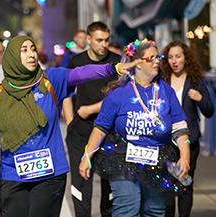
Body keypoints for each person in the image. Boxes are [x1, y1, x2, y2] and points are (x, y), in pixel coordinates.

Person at [0, 35, 140, 217]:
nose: (31, 54)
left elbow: (81, 73)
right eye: (24, 50)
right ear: (12, 56)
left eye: (33, 49)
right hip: (11, 175)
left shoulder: (50, 79)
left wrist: (112, 68)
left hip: (49, 175)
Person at [79, 39, 191, 217]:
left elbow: (180, 128)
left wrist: (185, 156)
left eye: (158, 57)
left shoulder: (166, 91)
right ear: (137, 64)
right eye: (151, 58)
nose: (157, 62)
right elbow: (100, 128)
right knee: (127, 207)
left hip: (158, 158)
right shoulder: (118, 93)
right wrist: (87, 156)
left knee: (154, 210)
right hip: (123, 158)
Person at [63, 21, 121, 217]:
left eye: (106, 40)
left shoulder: (117, 62)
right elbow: (65, 94)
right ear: (88, 39)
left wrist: (92, 108)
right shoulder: (76, 61)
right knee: (81, 183)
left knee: (110, 184)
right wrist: (71, 122)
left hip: (110, 132)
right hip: (81, 131)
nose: (103, 44)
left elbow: (120, 97)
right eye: (99, 40)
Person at [160, 41, 214, 217]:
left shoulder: (195, 81)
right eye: (170, 57)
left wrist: (199, 98)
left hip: (189, 142)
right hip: (166, 142)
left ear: (186, 58)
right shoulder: (162, 81)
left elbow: (210, 110)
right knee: (167, 188)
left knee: (185, 185)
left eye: (178, 56)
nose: (174, 61)